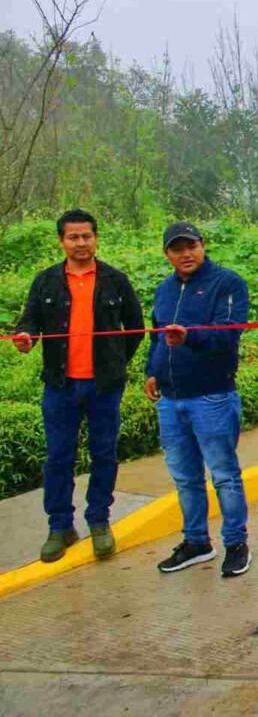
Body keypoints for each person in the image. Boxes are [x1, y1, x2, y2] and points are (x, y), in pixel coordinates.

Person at [12, 209, 144, 563]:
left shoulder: (116, 280)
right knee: (58, 457)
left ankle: (99, 521)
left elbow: (135, 327)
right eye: (73, 237)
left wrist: (114, 363)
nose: (81, 243)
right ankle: (60, 527)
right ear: (61, 241)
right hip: (60, 385)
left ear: (96, 238)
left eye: (86, 236)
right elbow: (30, 323)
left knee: (104, 454)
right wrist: (26, 338)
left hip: (104, 387)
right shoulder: (45, 282)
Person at [145, 221, 252, 577]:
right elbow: (156, 337)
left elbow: (229, 333)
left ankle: (236, 544)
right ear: (167, 255)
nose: (185, 254)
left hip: (212, 397)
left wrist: (189, 338)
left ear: (203, 245)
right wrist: (152, 370)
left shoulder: (227, 282)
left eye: (191, 246)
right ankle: (196, 542)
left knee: (224, 475)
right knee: (185, 477)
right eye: (177, 249)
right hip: (170, 399)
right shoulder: (163, 290)